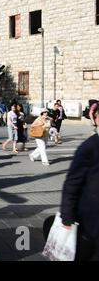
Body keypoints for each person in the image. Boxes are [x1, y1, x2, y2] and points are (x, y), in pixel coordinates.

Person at [60, 103, 99, 260]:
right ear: (96, 119)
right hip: (91, 221)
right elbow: (72, 183)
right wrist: (67, 215)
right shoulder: (90, 146)